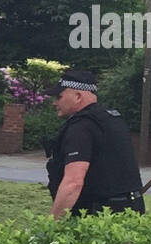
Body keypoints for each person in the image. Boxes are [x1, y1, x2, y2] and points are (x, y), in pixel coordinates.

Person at [43, 68, 145, 219]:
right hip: (131, 209)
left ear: (78, 96)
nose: (55, 102)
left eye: (59, 96)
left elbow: (73, 183)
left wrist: (49, 226)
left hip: (99, 215)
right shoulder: (113, 120)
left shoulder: (81, 127)